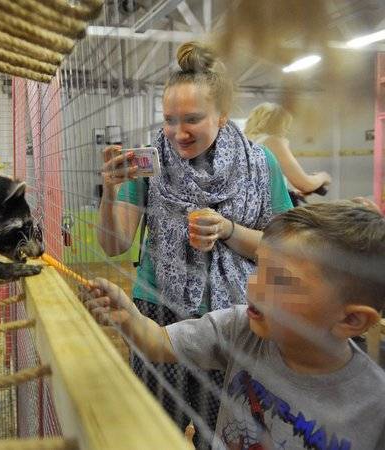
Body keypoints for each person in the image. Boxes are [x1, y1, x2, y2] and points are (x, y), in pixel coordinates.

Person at [97, 41, 292, 436]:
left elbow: (286, 250)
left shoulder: (260, 163)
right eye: (169, 119)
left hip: (234, 318)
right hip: (157, 310)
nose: (177, 133)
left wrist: (229, 230)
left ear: (221, 116)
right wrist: (110, 192)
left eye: (192, 119)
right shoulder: (150, 162)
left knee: (221, 433)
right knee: (152, 430)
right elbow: (114, 244)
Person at [86, 201, 385, 449]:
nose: (254, 287)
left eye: (280, 281)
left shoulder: (375, 406)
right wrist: (128, 318)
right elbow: (158, 342)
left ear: (351, 319)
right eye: (259, 267)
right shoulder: (240, 327)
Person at [244, 102, 332, 203]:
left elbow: (261, 188)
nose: (286, 130)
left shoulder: (248, 143)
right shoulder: (272, 141)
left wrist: (291, 193)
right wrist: (323, 176)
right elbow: (305, 184)